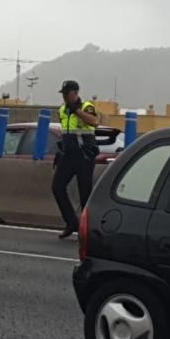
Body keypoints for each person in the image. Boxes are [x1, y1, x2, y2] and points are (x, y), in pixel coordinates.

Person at [52, 80, 100, 239]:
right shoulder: (62, 110)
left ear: (75, 93)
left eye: (67, 94)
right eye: (63, 94)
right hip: (68, 155)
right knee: (57, 187)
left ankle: (87, 230)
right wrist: (61, 151)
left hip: (84, 155)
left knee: (85, 193)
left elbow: (95, 122)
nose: (64, 97)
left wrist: (77, 111)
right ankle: (71, 222)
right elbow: (66, 132)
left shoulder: (87, 106)